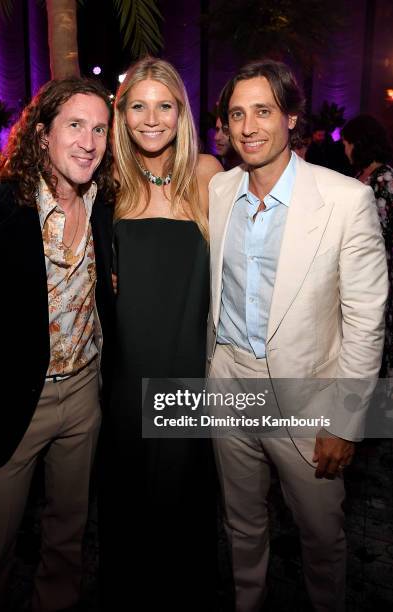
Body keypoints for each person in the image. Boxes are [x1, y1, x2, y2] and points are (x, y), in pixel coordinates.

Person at [0, 77, 116, 612]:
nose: (89, 141)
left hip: (83, 397)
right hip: (10, 403)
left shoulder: (105, 207)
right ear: (40, 135)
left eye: (100, 128)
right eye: (74, 125)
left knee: (67, 540)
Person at [209, 59, 388, 611]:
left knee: (321, 538)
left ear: (291, 118)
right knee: (241, 524)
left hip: (308, 398)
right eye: (237, 114)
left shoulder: (344, 199)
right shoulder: (217, 190)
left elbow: (366, 318)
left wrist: (346, 420)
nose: (249, 127)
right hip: (227, 383)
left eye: (263, 111)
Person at [99, 57, 222, 611]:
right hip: (124, 370)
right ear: (121, 114)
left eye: (164, 106)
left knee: (181, 495)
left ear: (181, 112)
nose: (152, 119)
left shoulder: (208, 173)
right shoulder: (108, 183)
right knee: (130, 496)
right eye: (138, 106)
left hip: (188, 363)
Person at [342, 114, 393, 375]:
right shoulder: (360, 176)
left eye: (347, 143)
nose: (345, 149)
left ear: (359, 143)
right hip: (358, 273)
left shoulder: (384, 179)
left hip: (381, 275)